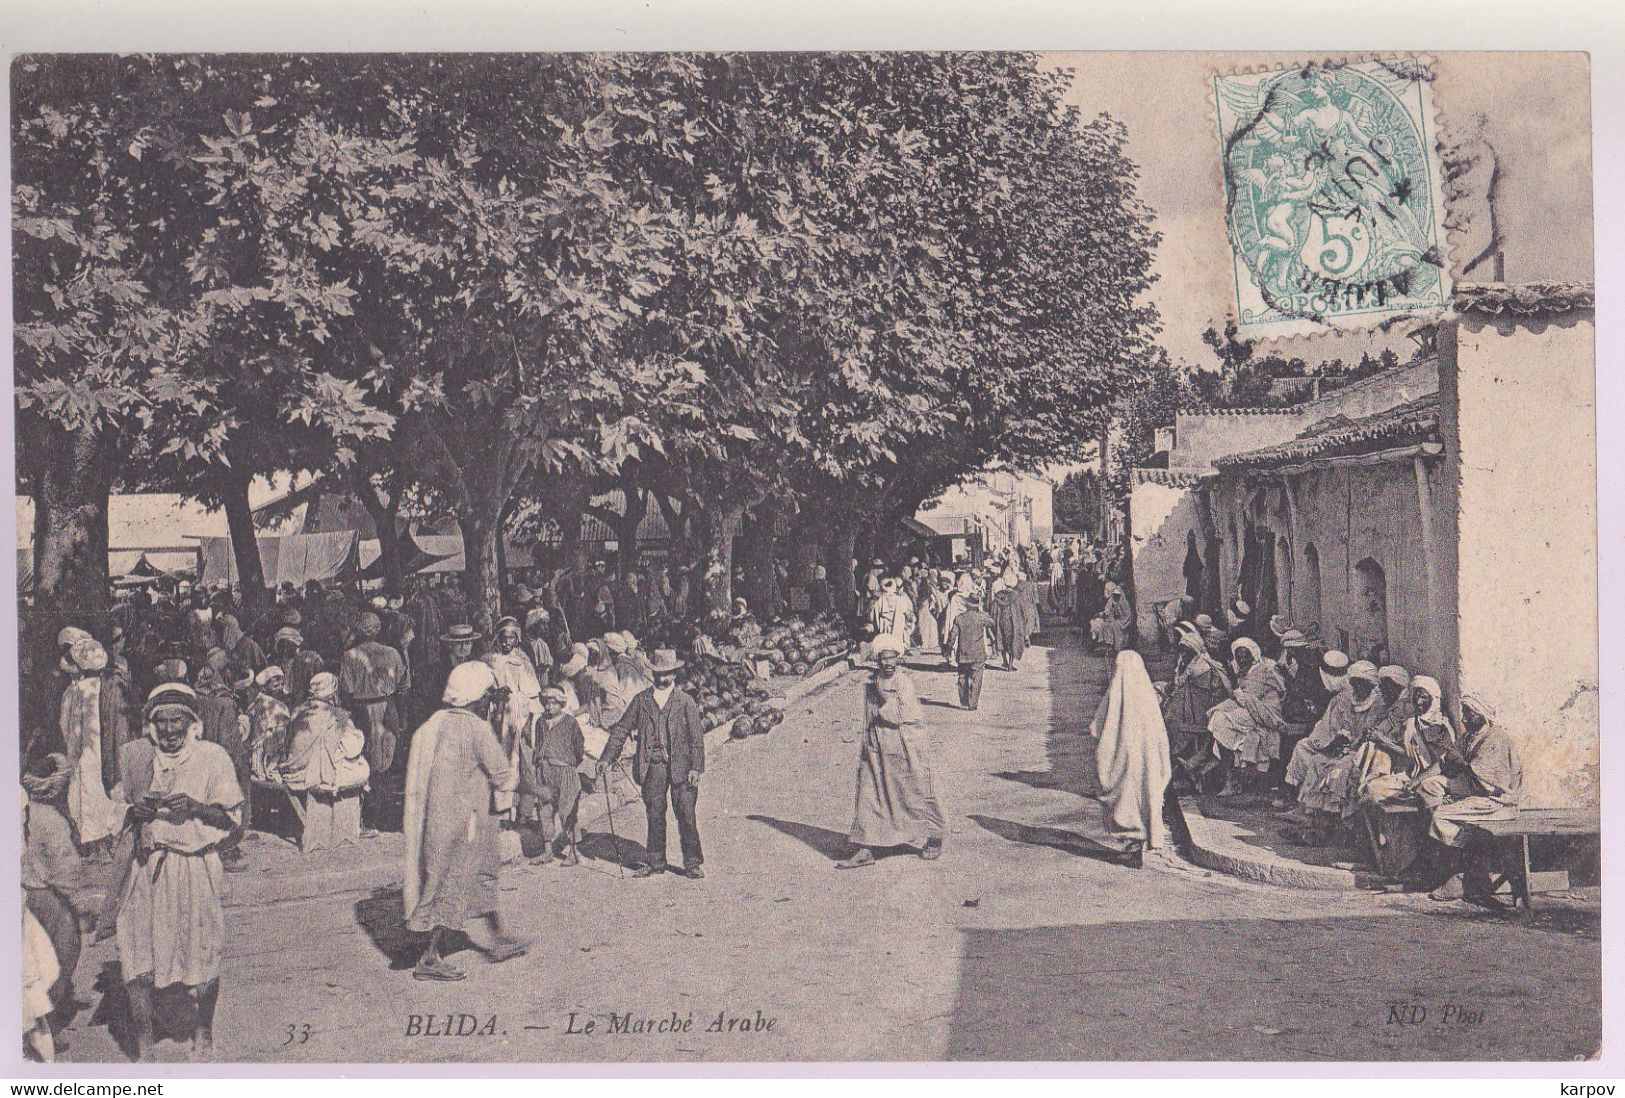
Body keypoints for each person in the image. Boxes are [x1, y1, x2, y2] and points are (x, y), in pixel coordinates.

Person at [111, 683, 244, 1060]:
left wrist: (198, 808)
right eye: (162, 721)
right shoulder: (137, 757)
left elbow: (231, 818)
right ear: (151, 725)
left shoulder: (212, 757)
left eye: (177, 720)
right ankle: (143, 1044)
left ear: (192, 722)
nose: (170, 729)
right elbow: (112, 810)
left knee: (201, 948)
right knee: (137, 952)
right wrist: (132, 813)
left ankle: (203, 1031)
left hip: (194, 867)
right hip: (144, 866)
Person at [401, 661, 527, 981]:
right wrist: (534, 785)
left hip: (447, 818)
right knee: (453, 884)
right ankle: (429, 958)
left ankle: (497, 937)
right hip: (465, 823)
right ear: (478, 697)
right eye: (488, 696)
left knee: (481, 876)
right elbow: (502, 776)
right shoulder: (476, 728)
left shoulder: (436, 723)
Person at [595, 648, 707, 879]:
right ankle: (655, 862)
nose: (663, 679)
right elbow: (622, 729)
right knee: (654, 815)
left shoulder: (686, 702)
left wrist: (696, 767)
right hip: (652, 766)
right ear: (653, 674)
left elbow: (697, 738)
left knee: (686, 814)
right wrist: (606, 758)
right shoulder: (641, 700)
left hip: (683, 767)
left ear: (675, 674)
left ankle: (692, 862)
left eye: (668, 674)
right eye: (658, 674)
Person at [837, 634, 946, 868]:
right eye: (883, 659)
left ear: (898, 659)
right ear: (877, 660)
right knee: (870, 791)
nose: (887, 664)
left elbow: (902, 715)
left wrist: (883, 701)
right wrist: (868, 744)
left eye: (892, 659)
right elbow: (869, 717)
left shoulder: (903, 683)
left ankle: (933, 836)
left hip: (903, 744)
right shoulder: (873, 682)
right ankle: (867, 845)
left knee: (915, 790)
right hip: (877, 745)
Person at [1415, 692, 1523, 901]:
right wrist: (1417, 781)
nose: (1464, 718)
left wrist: (1460, 765)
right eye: (1464, 712)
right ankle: (1443, 853)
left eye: (1468, 713)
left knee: (1442, 816)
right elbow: (1447, 761)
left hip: (1496, 799)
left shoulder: (1495, 738)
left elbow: (1489, 781)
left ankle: (1459, 873)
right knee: (1429, 786)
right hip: (1474, 786)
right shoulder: (1469, 735)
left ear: (1481, 715)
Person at [23, 755, 94, 1028]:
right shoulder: (50, 818)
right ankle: (44, 1023)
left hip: (21, 892)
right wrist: (82, 906)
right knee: (60, 953)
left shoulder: (19, 809)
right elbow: (65, 870)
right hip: (43, 896)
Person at [1091, 650, 1179, 867]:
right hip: (1147, 757)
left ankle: (1132, 841)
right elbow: (1160, 731)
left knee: (1126, 798)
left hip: (1123, 756)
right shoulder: (1147, 695)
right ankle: (1139, 843)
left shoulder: (1115, 693)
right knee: (1145, 794)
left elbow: (1096, 727)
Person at [1280, 660, 1381, 841]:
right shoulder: (1345, 698)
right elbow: (1330, 725)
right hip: (1342, 745)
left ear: (1372, 684)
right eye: (1354, 682)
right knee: (1312, 755)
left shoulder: (1378, 705)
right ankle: (1308, 814)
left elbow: (1370, 735)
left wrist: (1349, 745)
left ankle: (1322, 826)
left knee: (1332, 768)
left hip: (1362, 752)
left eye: (1361, 683)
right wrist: (1334, 742)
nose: (1357, 687)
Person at [279, 672, 371, 851]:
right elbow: (352, 748)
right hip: (310, 774)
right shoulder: (337, 716)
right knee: (362, 767)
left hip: (292, 770)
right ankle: (355, 825)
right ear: (333, 692)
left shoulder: (299, 711)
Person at [60, 638, 124, 851]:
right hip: (107, 751)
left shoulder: (77, 691)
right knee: (105, 794)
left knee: (86, 793)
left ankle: (92, 842)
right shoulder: (110, 687)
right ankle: (110, 837)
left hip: (86, 751)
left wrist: (71, 752)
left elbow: (70, 727)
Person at [1207, 637, 1287, 796]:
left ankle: (1231, 778)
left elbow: (1248, 698)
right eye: (1238, 656)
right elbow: (1242, 699)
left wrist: (1231, 701)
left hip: (1265, 714)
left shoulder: (1260, 672)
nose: (1242, 659)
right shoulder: (1246, 673)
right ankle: (1231, 777)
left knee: (1220, 720)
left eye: (1245, 655)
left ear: (1253, 655)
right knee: (1218, 717)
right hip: (1252, 711)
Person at [339, 611, 410, 784]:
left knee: (366, 750)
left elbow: (347, 689)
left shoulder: (350, 656)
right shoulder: (392, 652)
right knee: (387, 749)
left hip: (362, 708)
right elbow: (404, 684)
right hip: (388, 705)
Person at [522, 686, 585, 866]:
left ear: (561, 704)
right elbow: (538, 744)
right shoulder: (540, 722)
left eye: (554, 703)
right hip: (544, 771)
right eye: (546, 703)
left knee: (567, 811)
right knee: (544, 809)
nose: (549, 707)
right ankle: (548, 850)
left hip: (565, 772)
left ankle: (573, 851)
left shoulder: (570, 723)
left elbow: (578, 748)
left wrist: (569, 764)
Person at [943, 593, 995, 711]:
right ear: (977, 605)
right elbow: (992, 622)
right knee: (977, 678)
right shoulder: (981, 618)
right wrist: (982, 612)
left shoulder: (959, 618)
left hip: (963, 653)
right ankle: (973, 703)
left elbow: (952, 636)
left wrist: (948, 649)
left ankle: (964, 701)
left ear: (966, 605)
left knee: (962, 677)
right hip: (978, 654)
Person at [990, 581, 1025, 670]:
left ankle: (1005, 661)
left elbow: (993, 611)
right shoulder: (1017, 596)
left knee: (1002, 639)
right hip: (1012, 622)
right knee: (1012, 640)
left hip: (1001, 620)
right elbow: (1022, 610)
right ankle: (1010, 665)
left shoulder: (999, 595)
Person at [1099, 582, 1132, 653]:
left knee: (1114, 625)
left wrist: (1123, 622)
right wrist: (1104, 615)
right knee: (1105, 625)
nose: (1115, 596)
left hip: (1122, 620)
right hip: (1113, 618)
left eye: (1117, 595)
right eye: (1114, 594)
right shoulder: (1112, 600)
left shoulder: (1124, 602)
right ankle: (1105, 644)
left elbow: (1128, 615)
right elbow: (1108, 610)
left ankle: (1116, 646)